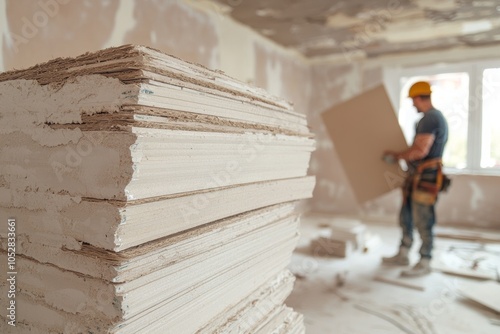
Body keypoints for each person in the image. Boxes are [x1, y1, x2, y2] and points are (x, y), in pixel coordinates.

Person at [382, 81, 449, 277]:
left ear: (420, 98)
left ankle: (425, 260)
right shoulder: (432, 118)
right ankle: (404, 253)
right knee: (407, 216)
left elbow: (420, 151)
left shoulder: (430, 119)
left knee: (422, 218)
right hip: (418, 176)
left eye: (413, 100)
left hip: (426, 177)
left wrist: (395, 156)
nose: (413, 104)